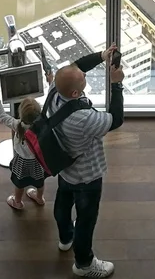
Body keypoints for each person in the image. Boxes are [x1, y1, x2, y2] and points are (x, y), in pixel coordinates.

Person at [44, 46, 124, 279]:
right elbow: (115, 120)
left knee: (62, 203)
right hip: (87, 175)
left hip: (65, 167)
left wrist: (101, 56)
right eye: (83, 80)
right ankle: (84, 263)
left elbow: (75, 67)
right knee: (86, 220)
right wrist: (116, 84)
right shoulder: (83, 118)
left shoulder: (54, 92)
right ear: (77, 94)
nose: (85, 74)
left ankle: (65, 238)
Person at [0, 84, 47, 210]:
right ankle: (39, 198)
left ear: (20, 114)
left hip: (21, 161)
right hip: (38, 161)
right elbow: (51, 109)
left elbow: (2, 116)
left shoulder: (17, 125)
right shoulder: (43, 125)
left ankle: (17, 202)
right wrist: (51, 83)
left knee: (19, 183)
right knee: (40, 181)